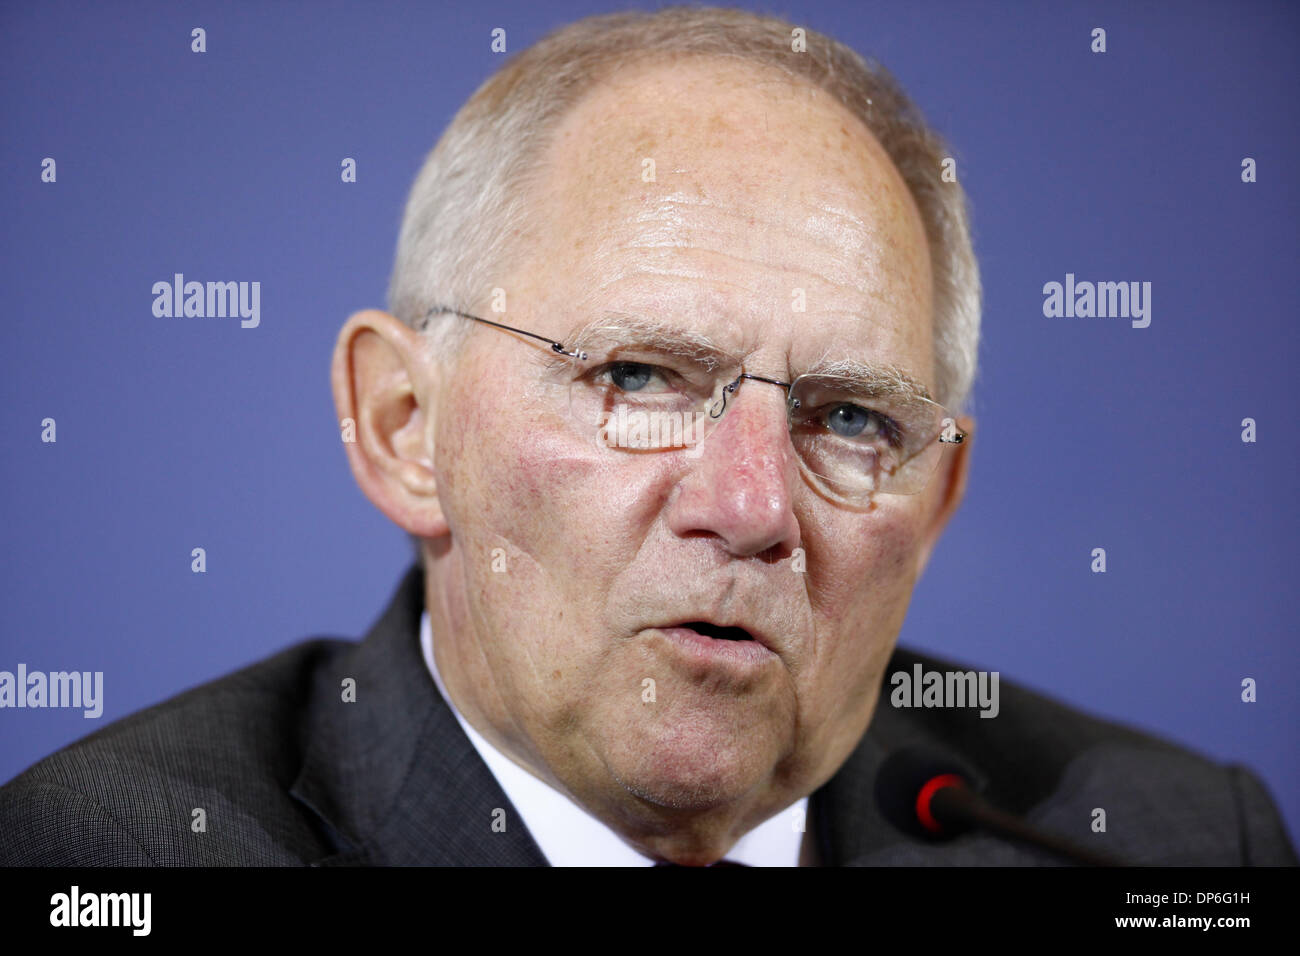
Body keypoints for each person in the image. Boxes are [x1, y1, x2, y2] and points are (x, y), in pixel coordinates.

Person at [1, 6, 1293, 867]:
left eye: (851, 418)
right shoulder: (119, 855)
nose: (749, 508)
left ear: (937, 498)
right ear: (406, 428)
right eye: (639, 375)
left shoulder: (1157, 850)